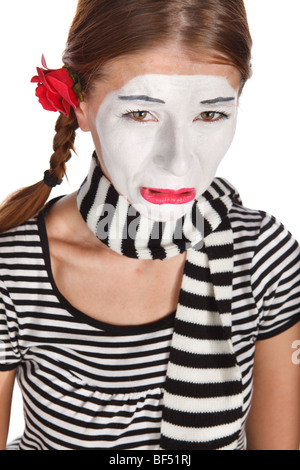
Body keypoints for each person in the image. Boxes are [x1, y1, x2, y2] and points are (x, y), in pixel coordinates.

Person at [0, 0, 299, 451]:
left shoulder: (263, 256)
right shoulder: (11, 268)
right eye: (141, 113)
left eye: (211, 114)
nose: (179, 163)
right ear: (78, 103)